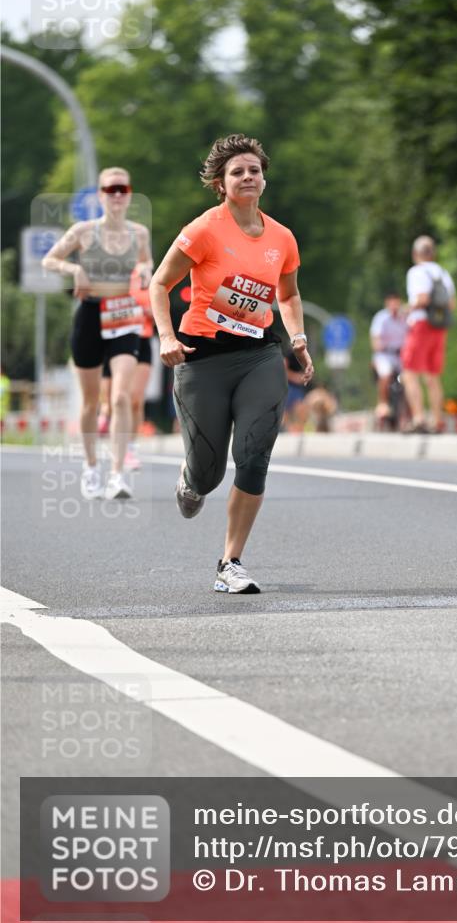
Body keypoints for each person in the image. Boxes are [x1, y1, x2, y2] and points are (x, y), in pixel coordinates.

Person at [149, 133, 313, 594]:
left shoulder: (281, 237)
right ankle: (191, 479)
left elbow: (289, 292)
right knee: (209, 471)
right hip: (203, 359)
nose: (247, 177)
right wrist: (166, 335)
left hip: (260, 353)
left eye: (254, 170)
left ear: (264, 179)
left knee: (255, 454)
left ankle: (230, 562)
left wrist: (297, 336)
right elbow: (159, 284)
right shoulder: (204, 229)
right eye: (237, 171)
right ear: (221, 183)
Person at [42, 167, 152, 499]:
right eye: (110, 189)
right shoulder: (83, 231)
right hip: (89, 314)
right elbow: (50, 260)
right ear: (101, 195)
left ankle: (117, 475)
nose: (117, 195)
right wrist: (74, 268)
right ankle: (91, 467)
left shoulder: (139, 233)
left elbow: (146, 262)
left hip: (123, 314)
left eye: (122, 188)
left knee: (121, 396)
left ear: (129, 194)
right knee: (92, 401)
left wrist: (145, 272)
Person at [98, 266, 156, 470]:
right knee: (113, 399)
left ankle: (130, 449)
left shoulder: (146, 274)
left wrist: (147, 310)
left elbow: (157, 307)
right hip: (116, 338)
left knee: (135, 399)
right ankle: (106, 421)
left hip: (142, 338)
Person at [400, 236, 456, 432]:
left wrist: (407, 308)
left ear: (415, 254)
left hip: (421, 324)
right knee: (433, 375)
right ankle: (438, 420)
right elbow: (451, 304)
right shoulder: (442, 273)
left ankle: (419, 418)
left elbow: (422, 298)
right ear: (434, 253)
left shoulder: (416, 272)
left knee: (410, 373)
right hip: (440, 326)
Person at [370, 291, 407, 426]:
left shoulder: (405, 318)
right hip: (385, 354)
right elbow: (375, 339)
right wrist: (379, 345)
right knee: (385, 375)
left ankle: (407, 411)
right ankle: (383, 404)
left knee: (409, 380)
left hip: (401, 355)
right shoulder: (381, 318)